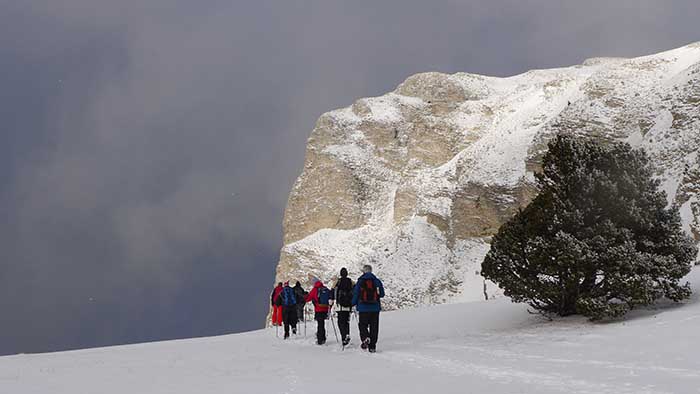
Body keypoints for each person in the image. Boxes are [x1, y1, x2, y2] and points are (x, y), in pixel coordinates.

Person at [352, 264, 385, 353]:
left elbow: (356, 294)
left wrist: (353, 303)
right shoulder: (377, 281)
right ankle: (372, 346)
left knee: (362, 325)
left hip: (363, 308)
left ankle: (365, 337)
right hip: (375, 308)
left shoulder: (360, 281)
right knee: (374, 327)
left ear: (363, 271)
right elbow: (382, 294)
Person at [305, 279, 332, 345]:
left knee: (320, 324)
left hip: (318, 309)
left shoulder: (315, 289)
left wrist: (305, 297)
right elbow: (330, 298)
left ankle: (320, 340)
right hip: (325, 309)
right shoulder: (326, 289)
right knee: (322, 324)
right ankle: (323, 338)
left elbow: (308, 298)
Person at [331, 268, 354, 346]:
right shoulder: (351, 281)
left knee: (340, 322)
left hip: (340, 306)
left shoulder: (337, 281)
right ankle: (347, 334)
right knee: (346, 322)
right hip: (348, 306)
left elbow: (332, 291)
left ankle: (344, 337)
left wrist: (331, 301)